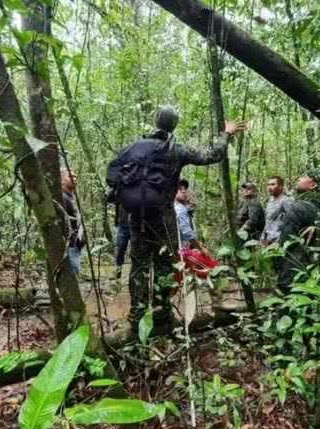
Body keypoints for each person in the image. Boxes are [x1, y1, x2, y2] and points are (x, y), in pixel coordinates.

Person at [106, 105, 246, 331]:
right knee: (165, 266)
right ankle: (162, 316)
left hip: (136, 218)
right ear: (174, 124)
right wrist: (226, 133)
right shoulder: (175, 151)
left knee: (139, 267)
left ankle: (137, 317)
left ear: (155, 122)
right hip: (163, 219)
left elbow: (113, 175)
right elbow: (213, 155)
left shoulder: (132, 147)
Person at [276, 170, 320, 294]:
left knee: (287, 292)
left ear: (313, 185)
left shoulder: (299, 207)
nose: (298, 178)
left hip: (296, 266)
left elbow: (286, 239)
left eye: (303, 176)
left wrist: (278, 260)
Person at [61, 169, 84, 275]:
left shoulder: (72, 197)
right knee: (73, 274)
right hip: (69, 244)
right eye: (70, 176)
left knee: (75, 272)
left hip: (76, 243)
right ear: (61, 179)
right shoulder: (63, 198)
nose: (74, 179)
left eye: (75, 177)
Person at [261, 176, 293, 245]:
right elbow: (268, 220)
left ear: (281, 186)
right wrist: (263, 236)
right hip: (269, 238)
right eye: (268, 185)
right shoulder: (270, 200)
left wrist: (280, 240)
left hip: (279, 240)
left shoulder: (286, 201)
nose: (269, 187)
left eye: (273, 184)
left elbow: (291, 222)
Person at [113, 203, 130, 279]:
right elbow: (117, 207)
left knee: (136, 251)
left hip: (135, 225)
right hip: (122, 225)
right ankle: (118, 271)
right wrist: (116, 222)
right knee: (120, 248)